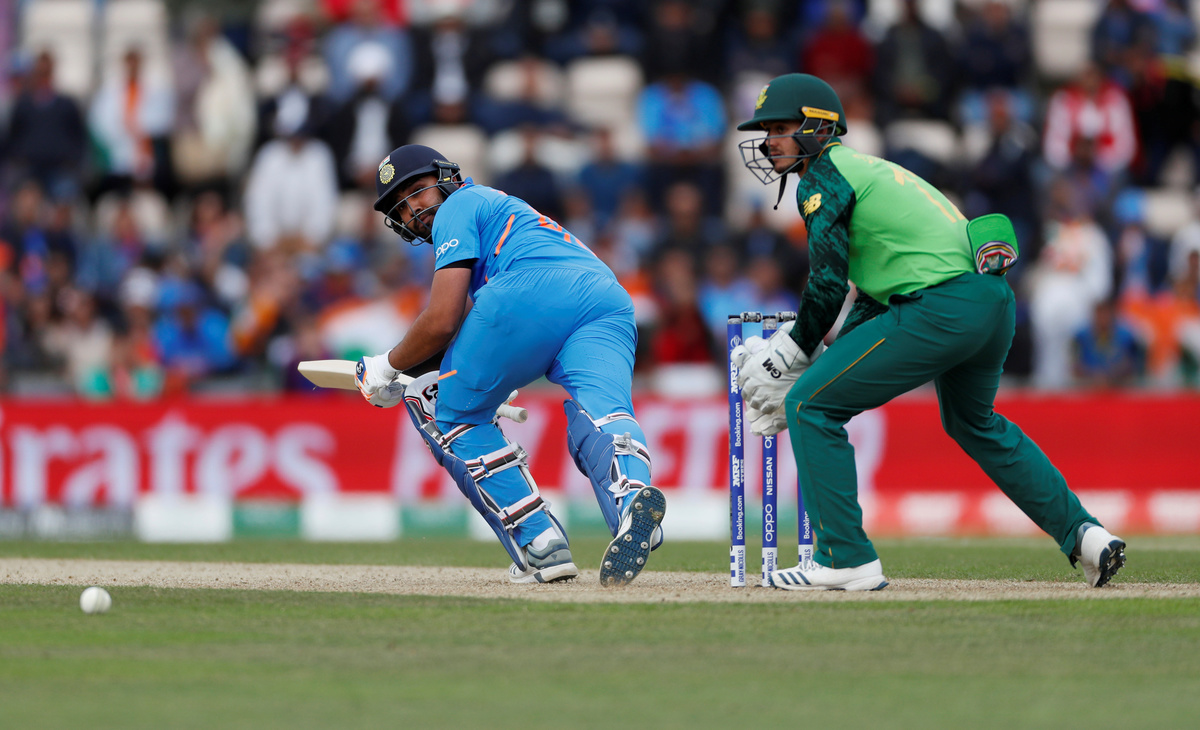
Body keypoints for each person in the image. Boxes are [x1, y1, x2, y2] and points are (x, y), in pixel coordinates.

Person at [730, 73, 1127, 591]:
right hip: (990, 302)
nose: (769, 142)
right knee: (973, 423)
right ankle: (1086, 535)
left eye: (780, 129)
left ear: (819, 128)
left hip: (941, 306)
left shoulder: (824, 176)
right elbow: (874, 297)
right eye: (767, 131)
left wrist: (788, 354)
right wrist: (821, 363)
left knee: (809, 407)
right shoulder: (869, 171)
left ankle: (845, 557)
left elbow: (826, 285)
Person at [354, 144, 666, 586]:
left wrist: (385, 367)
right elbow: (462, 329)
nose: (412, 210)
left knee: (447, 410)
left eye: (417, 191)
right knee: (604, 412)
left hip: (526, 293)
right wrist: (472, 374)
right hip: (605, 297)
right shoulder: (501, 208)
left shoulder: (458, 205)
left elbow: (442, 320)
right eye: (400, 207)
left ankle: (541, 543)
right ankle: (633, 498)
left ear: (446, 177)